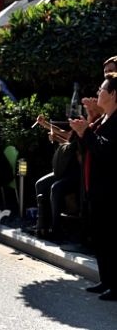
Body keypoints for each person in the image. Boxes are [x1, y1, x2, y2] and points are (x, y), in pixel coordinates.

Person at [70, 73, 117, 301]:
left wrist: (86, 132)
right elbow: (90, 147)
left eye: (102, 89)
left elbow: (106, 151)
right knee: (101, 238)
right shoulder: (104, 119)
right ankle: (106, 281)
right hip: (95, 187)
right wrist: (82, 133)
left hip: (110, 190)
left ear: (114, 94)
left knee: (111, 239)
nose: (98, 92)